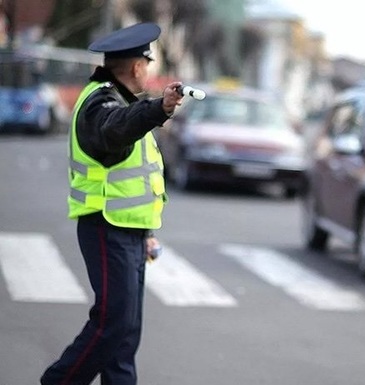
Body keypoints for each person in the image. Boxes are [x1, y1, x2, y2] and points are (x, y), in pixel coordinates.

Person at [40, 22, 183, 385]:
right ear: (137, 67)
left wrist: (147, 233)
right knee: (112, 323)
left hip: (130, 231)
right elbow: (115, 129)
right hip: (107, 228)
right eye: (146, 64)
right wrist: (158, 109)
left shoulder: (118, 100)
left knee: (125, 332)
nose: (148, 71)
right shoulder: (99, 103)